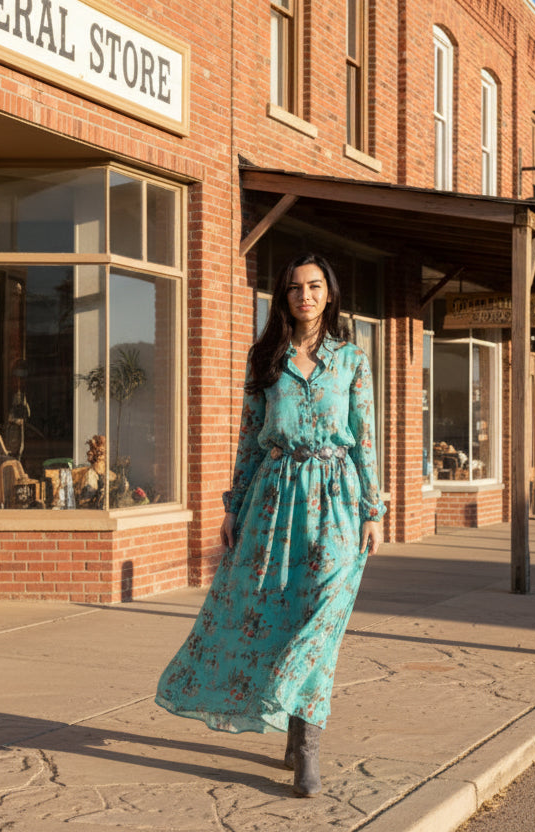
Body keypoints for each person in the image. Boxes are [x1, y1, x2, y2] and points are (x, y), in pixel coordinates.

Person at [155, 252, 385, 798]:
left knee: (320, 624)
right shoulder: (265, 361)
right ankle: (294, 727)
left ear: (329, 293)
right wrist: (232, 507)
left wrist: (373, 511)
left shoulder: (352, 359)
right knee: (270, 615)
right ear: (283, 298)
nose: (304, 296)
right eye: (293, 288)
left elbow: (365, 439)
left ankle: (306, 747)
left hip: (337, 503)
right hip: (274, 501)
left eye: (313, 286)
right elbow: (249, 439)